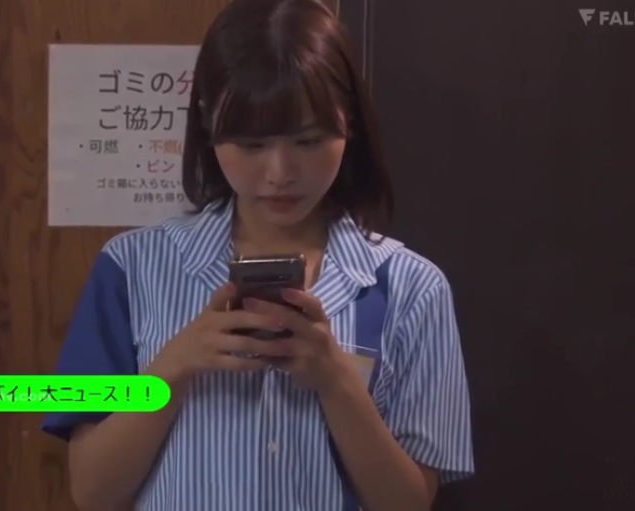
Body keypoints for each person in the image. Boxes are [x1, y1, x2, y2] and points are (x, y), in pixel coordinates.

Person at [42, 0, 475, 509]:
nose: (279, 173)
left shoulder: (413, 288)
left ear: (349, 123)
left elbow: (409, 503)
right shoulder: (129, 269)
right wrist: (175, 366)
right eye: (250, 145)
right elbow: (91, 491)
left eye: (308, 141)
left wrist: (335, 381)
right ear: (208, 124)